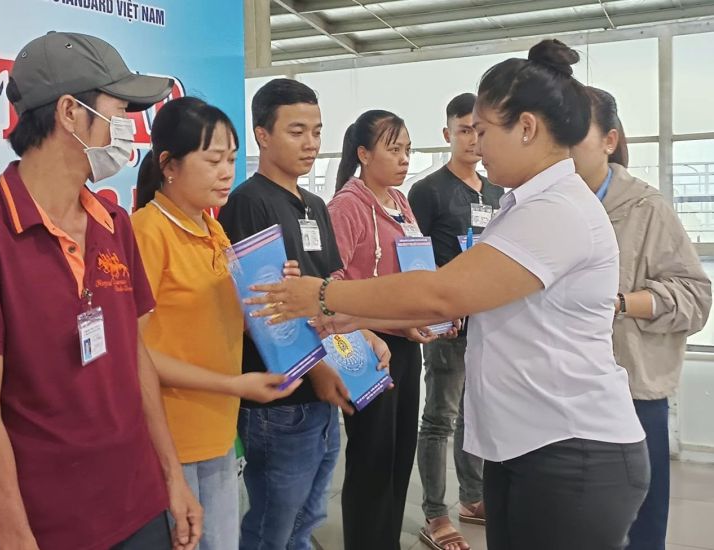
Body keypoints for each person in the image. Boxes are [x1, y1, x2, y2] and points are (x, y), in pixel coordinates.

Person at [247, 39, 650, 550]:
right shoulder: (524, 204)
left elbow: (444, 291)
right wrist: (358, 317)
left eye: (482, 131)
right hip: (534, 445)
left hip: (568, 452)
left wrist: (327, 296)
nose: (476, 145)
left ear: (526, 128)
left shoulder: (555, 210)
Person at [0, 32, 202, 550]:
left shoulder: (114, 223)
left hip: (139, 505)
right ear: (69, 112)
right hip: (48, 526)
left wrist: (172, 475)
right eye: (119, 110)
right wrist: (16, 538)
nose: (129, 129)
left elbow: (136, 357)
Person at [217, 78, 390, 550]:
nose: (311, 143)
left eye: (317, 131)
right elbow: (264, 310)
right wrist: (318, 374)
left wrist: (366, 330)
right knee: (274, 520)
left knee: (309, 514)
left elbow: (330, 282)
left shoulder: (313, 203)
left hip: (325, 382)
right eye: (297, 131)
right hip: (281, 395)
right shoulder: (248, 203)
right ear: (263, 135)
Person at [132, 97, 307, 550]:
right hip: (171, 439)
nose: (227, 172)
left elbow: (235, 320)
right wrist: (234, 385)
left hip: (217, 432)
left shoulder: (214, 230)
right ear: (169, 165)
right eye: (213, 161)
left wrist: (277, 293)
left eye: (231, 159)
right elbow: (137, 355)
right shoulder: (146, 233)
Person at [571, 86, 711, 550]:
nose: (562, 144)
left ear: (610, 140)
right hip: (563, 391)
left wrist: (622, 303)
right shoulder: (547, 205)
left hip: (631, 392)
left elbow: (695, 296)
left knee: (639, 523)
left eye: (576, 133)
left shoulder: (646, 208)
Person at [328, 109, 430, 550]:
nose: (404, 158)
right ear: (364, 154)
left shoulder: (400, 201)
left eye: (407, 149)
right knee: (371, 455)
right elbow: (330, 288)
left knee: (399, 451)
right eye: (394, 149)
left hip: (406, 341)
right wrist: (395, 322)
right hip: (364, 344)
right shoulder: (347, 207)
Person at [409, 92, 503, 549]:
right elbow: (414, 260)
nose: (471, 139)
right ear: (448, 135)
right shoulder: (427, 191)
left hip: (491, 322)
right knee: (441, 417)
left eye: (478, 129)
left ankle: (473, 496)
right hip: (448, 324)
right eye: (463, 130)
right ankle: (435, 513)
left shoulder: (496, 191)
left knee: (476, 412)